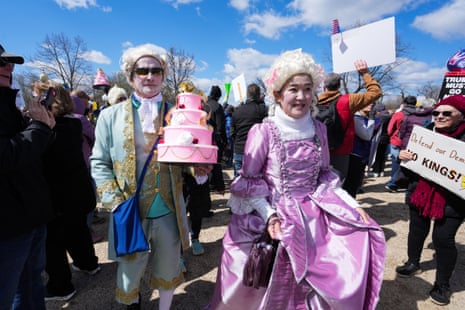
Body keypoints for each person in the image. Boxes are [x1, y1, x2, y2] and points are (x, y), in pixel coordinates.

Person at [207, 49, 386, 309]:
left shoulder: (319, 129)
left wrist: (352, 204)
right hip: (270, 213)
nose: (301, 96)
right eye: (293, 89)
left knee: (338, 263)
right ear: (278, 94)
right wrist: (269, 214)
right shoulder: (263, 131)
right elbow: (251, 179)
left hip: (312, 216)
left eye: (307, 89)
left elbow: (325, 176)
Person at [90, 43, 191, 310]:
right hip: (130, 210)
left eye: (155, 70)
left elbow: (189, 158)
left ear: (163, 74)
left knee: (168, 268)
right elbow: (99, 162)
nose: (149, 76)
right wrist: (115, 202)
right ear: (131, 75)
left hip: (168, 209)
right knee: (129, 272)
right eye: (142, 70)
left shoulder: (178, 114)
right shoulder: (109, 116)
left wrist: (199, 170)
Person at [32, 82, 100, 302]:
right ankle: (88, 263)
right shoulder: (75, 123)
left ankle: (61, 286)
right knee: (78, 230)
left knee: (54, 242)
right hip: (77, 188)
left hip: (56, 193)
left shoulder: (47, 127)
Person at [395, 94, 465, 306]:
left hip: (453, 200)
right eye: (436, 112)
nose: (440, 116)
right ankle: (413, 262)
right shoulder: (424, 135)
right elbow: (410, 165)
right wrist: (403, 157)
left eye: (447, 113)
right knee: (416, 230)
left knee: (443, 239)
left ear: (461, 116)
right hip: (421, 192)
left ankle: (442, 284)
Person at [0, 44, 55, 310]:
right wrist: (39, 127)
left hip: (30, 216)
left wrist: (41, 124)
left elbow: (30, 154)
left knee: (32, 284)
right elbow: (6, 155)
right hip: (8, 226)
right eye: (0, 63)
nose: (8, 68)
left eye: (9, 63)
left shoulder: (8, 105)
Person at [317, 60, 382, 181]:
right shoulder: (349, 101)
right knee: (337, 186)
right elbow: (376, 92)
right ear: (339, 86)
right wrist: (365, 73)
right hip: (341, 152)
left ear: (323, 87)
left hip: (317, 151)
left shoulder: (312, 101)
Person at [230, 83, 267, 177]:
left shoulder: (237, 111)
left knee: (238, 182)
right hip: (257, 151)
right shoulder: (262, 110)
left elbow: (232, 133)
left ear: (247, 95)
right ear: (258, 95)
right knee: (256, 184)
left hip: (239, 149)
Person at [343, 102, 377, 197]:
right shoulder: (356, 118)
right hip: (354, 154)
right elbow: (366, 135)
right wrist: (371, 120)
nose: (371, 105)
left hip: (362, 154)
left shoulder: (363, 117)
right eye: (367, 103)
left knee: (355, 183)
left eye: (372, 103)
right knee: (351, 184)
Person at [182, 164, 214, 256]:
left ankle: (195, 238)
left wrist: (209, 167)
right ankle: (178, 252)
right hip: (184, 184)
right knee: (179, 218)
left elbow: (214, 162)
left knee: (197, 216)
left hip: (202, 188)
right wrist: (190, 169)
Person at [204, 86, 226, 193]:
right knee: (216, 163)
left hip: (202, 139)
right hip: (214, 139)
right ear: (218, 96)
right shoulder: (217, 107)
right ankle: (217, 186)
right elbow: (221, 126)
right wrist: (224, 141)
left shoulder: (203, 105)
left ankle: (207, 183)